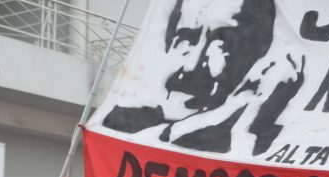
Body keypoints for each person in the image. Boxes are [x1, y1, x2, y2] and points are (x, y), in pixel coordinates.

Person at [101, 0, 304, 156]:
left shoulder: (269, 140)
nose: (190, 66)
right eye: (186, 39)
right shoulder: (118, 124)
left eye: (220, 42)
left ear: (259, 54)